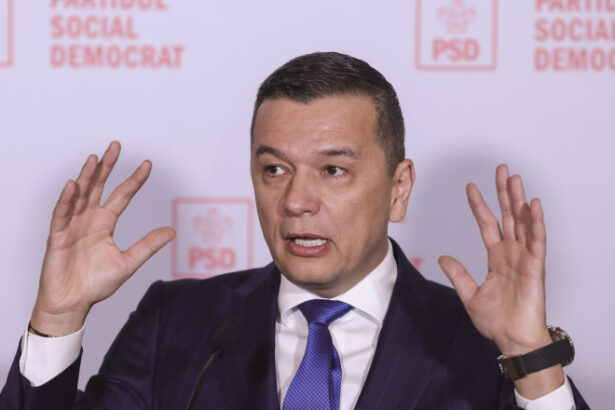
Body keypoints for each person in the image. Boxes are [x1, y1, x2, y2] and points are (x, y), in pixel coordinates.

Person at [1, 52, 588, 409]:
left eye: (333, 171)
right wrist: (57, 319)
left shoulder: (486, 345)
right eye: (274, 170)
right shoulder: (175, 323)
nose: (296, 202)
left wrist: (531, 358)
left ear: (398, 188)